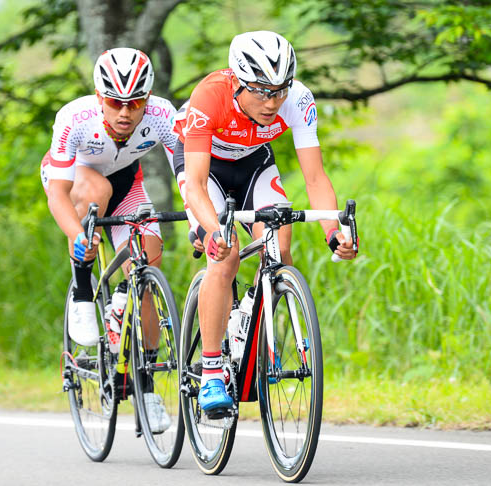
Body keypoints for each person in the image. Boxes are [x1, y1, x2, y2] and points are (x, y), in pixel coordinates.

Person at [172, 31, 357, 416]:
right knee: (225, 255)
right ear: (238, 81)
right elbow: (197, 186)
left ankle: (251, 329)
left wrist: (332, 231)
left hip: (254, 161)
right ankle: (210, 372)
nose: (272, 102)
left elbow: (315, 179)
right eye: (260, 92)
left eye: (279, 91)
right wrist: (213, 232)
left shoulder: (299, 99)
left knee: (281, 245)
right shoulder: (211, 96)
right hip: (204, 169)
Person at [41, 47, 178, 431]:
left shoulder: (164, 115)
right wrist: (76, 234)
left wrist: (202, 220)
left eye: (134, 103)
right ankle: (83, 291)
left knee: (147, 266)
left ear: (147, 100)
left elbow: (187, 171)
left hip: (128, 184)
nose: (124, 113)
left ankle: (145, 386)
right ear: (100, 97)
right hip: (75, 182)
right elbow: (57, 194)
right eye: (115, 102)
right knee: (97, 189)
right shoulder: (75, 118)